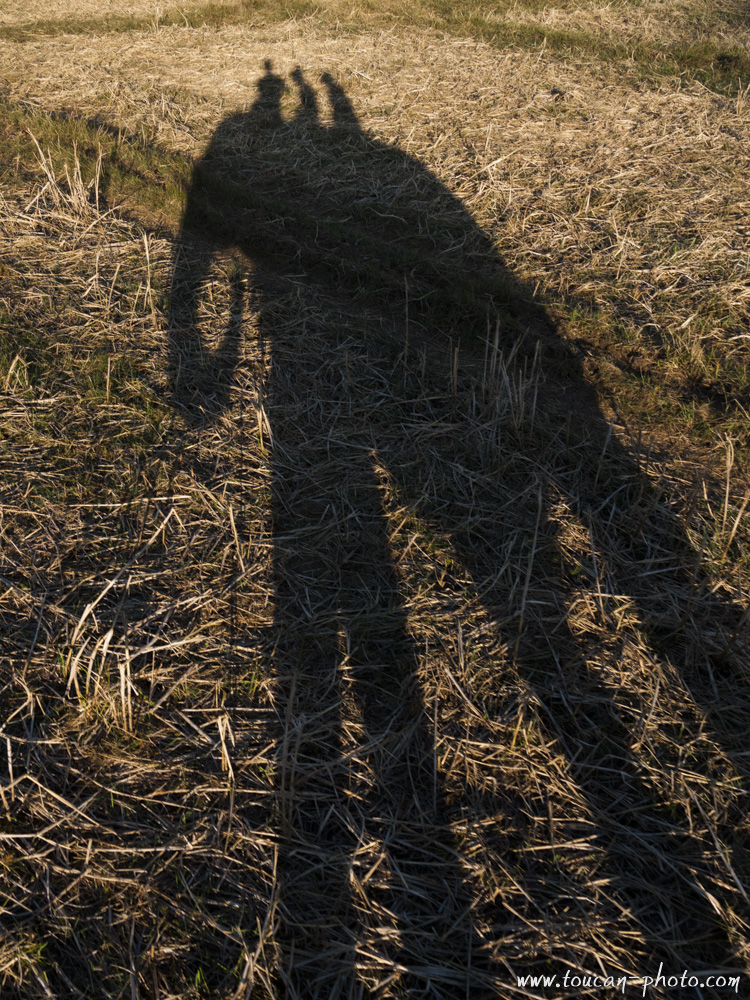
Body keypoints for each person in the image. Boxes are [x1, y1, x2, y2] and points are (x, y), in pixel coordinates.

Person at [170, 61, 747, 997]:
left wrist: (197, 349)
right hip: (341, 398)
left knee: (412, 589)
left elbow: (200, 258)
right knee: (521, 601)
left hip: (327, 398)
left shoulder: (290, 151)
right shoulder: (354, 156)